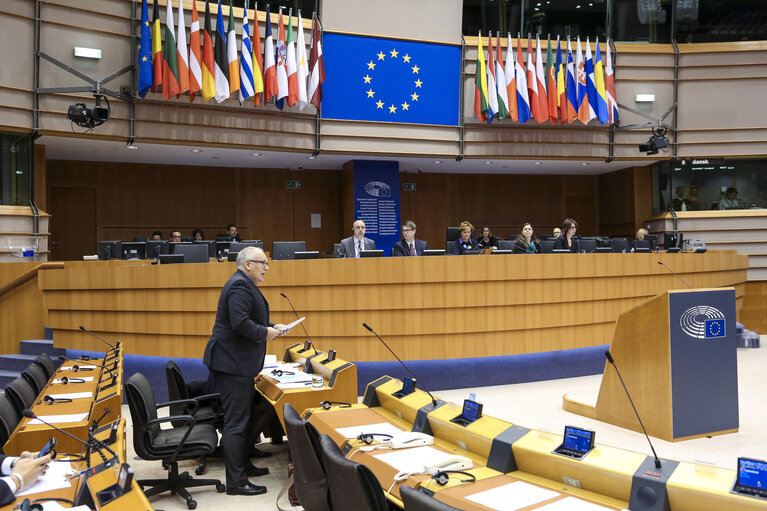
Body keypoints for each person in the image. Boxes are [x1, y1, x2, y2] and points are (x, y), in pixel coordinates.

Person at [203, 246, 290, 496]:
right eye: (262, 263)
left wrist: (273, 326)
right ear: (247, 264)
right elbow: (240, 323)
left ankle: (244, 466)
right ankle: (236, 482)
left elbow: (250, 318)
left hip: (238, 363)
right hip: (232, 364)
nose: (266, 268)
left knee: (246, 417)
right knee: (236, 423)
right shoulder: (239, 285)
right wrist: (266, 333)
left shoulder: (244, 283)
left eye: (267, 263)